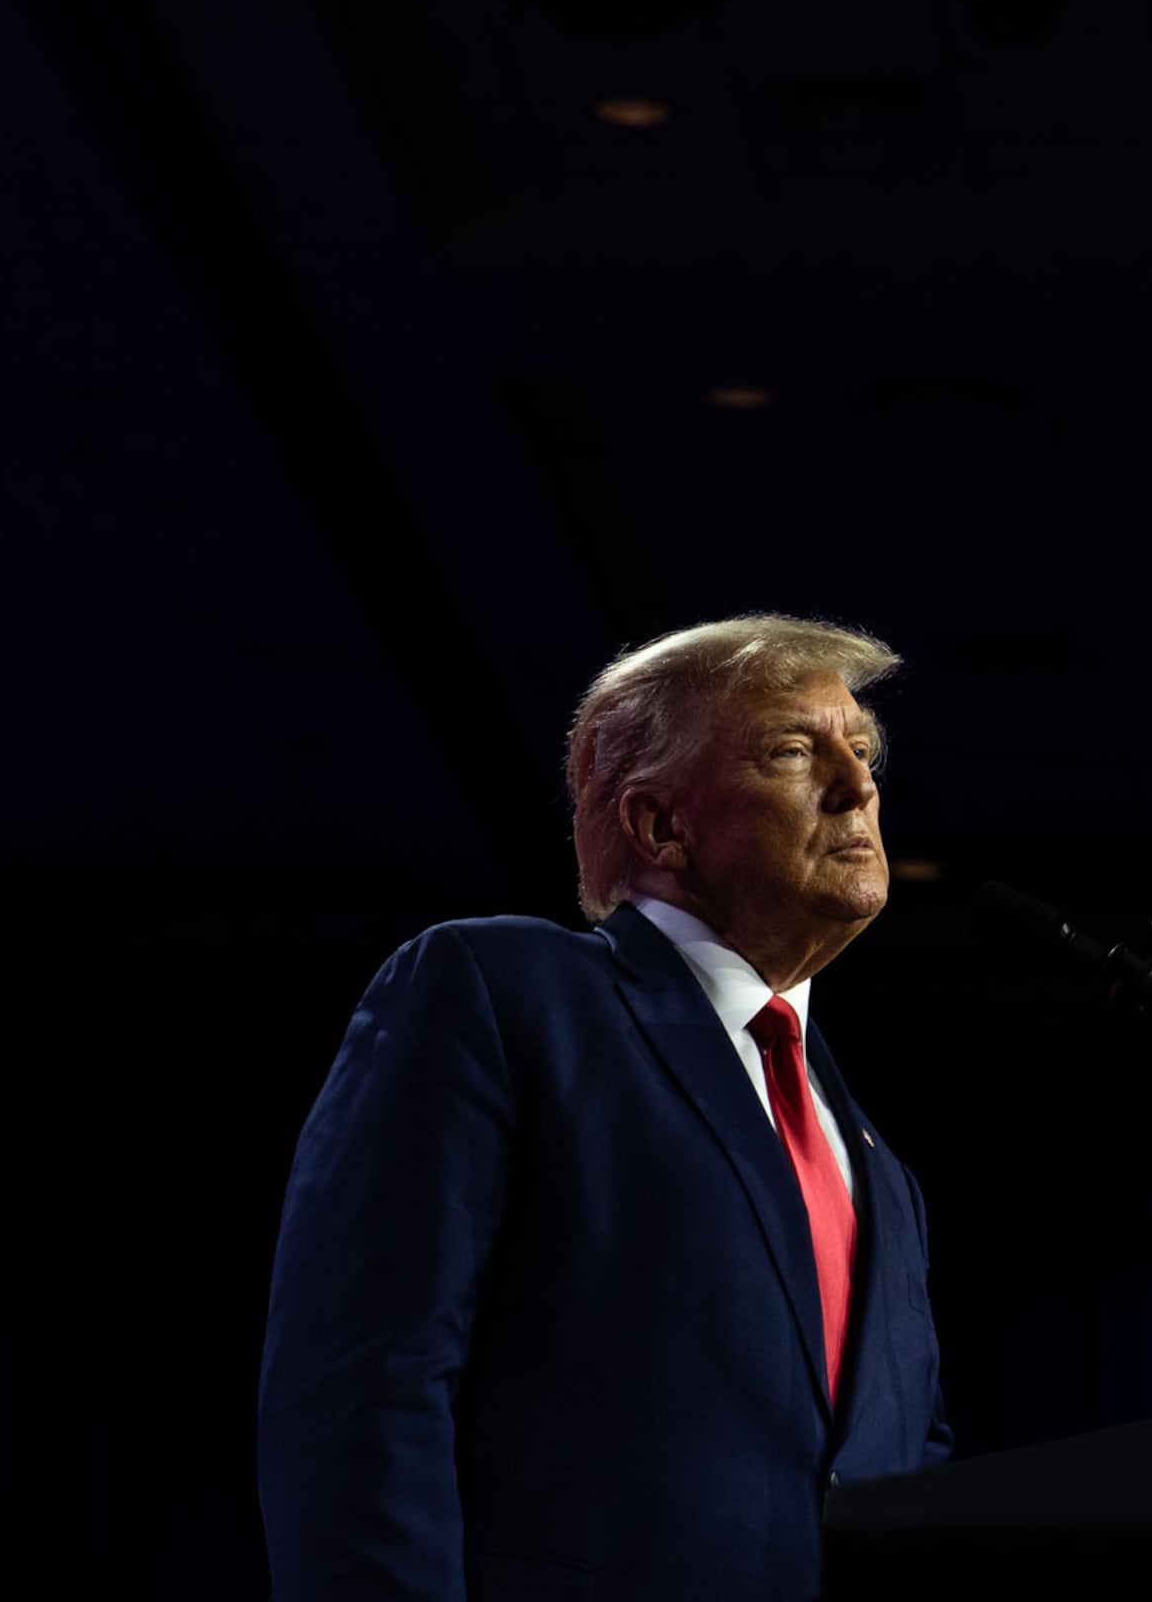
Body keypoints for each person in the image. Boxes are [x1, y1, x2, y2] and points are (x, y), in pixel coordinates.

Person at [258, 614, 949, 1602]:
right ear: (661, 824)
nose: (857, 783)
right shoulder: (502, 993)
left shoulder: (877, 1163)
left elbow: (908, 1454)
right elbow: (363, 1390)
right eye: (795, 749)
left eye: (863, 748)